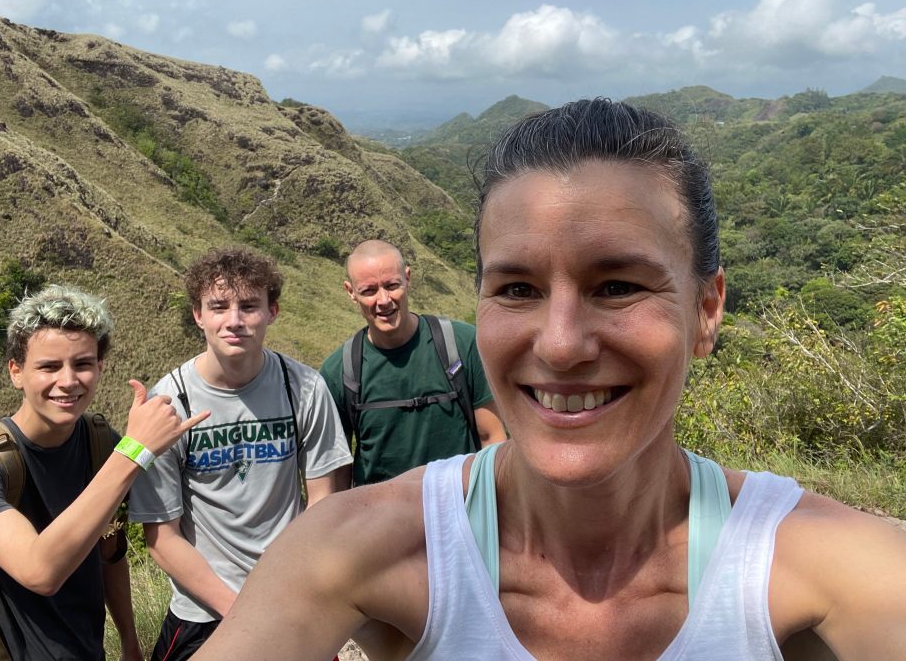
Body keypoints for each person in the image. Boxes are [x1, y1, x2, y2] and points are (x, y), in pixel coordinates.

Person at [192, 99, 906, 660]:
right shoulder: (354, 548)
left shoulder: (822, 562)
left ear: (707, 308)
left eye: (619, 286)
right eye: (518, 289)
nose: (561, 345)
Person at [0, 284, 207, 661]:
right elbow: (39, 571)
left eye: (82, 364)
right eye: (48, 366)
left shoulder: (101, 444)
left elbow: (109, 549)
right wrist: (134, 452)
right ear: (16, 372)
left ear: (100, 368)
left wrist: (129, 640)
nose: (68, 381)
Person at [128, 247, 352, 660]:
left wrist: (298, 587)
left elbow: (323, 502)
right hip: (203, 611)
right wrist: (240, 612)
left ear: (272, 312)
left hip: (289, 599)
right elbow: (161, 537)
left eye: (249, 306)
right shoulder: (170, 403)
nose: (234, 320)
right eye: (219, 307)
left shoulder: (303, 388)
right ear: (198, 315)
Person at [320, 239, 506, 486]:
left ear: (407, 278)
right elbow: (337, 474)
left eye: (392, 285)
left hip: (461, 503)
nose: (383, 300)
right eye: (369, 291)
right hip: (380, 509)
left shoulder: (462, 344)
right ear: (350, 292)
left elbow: (492, 437)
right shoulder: (339, 372)